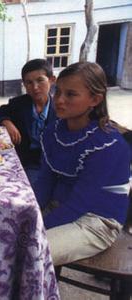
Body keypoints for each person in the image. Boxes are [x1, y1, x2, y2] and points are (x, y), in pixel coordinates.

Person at [33, 62, 131, 266]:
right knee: (4, 232)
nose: (59, 100)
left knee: (33, 251)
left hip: (97, 220)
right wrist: (30, 213)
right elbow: (45, 181)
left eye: (70, 94)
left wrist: (37, 227)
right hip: (60, 207)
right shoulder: (54, 131)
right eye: (57, 91)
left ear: (95, 99)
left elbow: (81, 203)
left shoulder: (107, 144)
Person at [0, 59, 57, 184]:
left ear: (52, 80)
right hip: (24, 162)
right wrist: (6, 121)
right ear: (24, 85)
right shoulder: (19, 104)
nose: (35, 87)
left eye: (40, 80)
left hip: (51, 165)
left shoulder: (61, 108)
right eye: (29, 83)